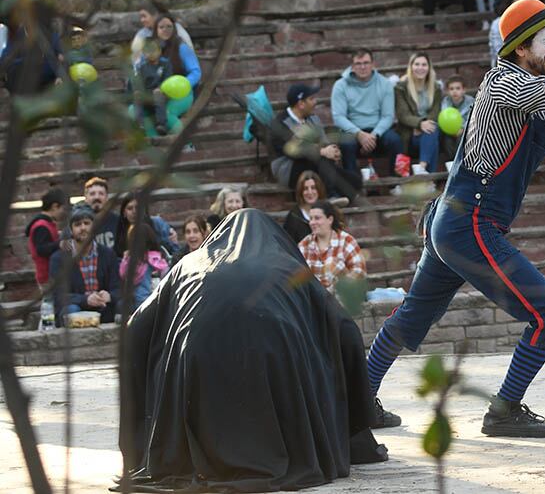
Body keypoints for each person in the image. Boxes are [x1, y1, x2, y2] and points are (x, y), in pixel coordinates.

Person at [363, 0, 545, 439]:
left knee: (411, 317)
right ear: (520, 49)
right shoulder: (503, 80)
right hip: (469, 222)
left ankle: (357, 402)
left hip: (455, 224)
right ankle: (503, 410)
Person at [121, 209, 388, 492]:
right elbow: (346, 329)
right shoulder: (288, 266)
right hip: (274, 364)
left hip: (196, 367)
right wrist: (356, 416)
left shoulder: (188, 264)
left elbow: (136, 326)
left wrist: (141, 419)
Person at [271, 82, 362, 200]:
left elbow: (324, 142)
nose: (315, 102)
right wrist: (322, 151)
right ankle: (330, 196)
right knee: (321, 159)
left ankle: (339, 195)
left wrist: (333, 151)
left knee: (355, 180)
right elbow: (294, 150)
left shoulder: (313, 119)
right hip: (289, 168)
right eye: (311, 99)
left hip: (318, 164)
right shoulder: (280, 124)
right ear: (301, 104)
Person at [332, 50, 404, 174]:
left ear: (373, 64)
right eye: (358, 64)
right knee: (347, 144)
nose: (363, 67)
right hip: (353, 131)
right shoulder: (340, 85)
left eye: (366, 63)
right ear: (352, 67)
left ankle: (396, 182)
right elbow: (338, 117)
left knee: (395, 140)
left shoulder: (384, 84)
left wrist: (373, 136)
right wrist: (359, 134)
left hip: (378, 131)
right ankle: (353, 187)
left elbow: (388, 116)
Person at [50, 203, 120, 325]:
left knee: (123, 305)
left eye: (87, 223)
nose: (83, 228)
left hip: (102, 307)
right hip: (77, 307)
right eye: (77, 225)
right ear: (71, 230)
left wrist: (110, 295)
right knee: (72, 311)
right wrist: (86, 299)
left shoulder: (108, 254)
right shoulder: (58, 259)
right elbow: (58, 295)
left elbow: (119, 288)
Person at [298, 200, 366, 293]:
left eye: (317, 218)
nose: (312, 222)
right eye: (311, 218)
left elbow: (359, 273)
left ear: (330, 219)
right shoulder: (304, 245)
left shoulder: (346, 241)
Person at [394, 52, 443, 175]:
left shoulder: (436, 87)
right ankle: (428, 178)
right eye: (417, 64)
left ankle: (422, 168)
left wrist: (423, 125)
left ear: (429, 67)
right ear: (411, 67)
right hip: (409, 134)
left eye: (424, 65)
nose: (420, 68)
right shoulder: (401, 87)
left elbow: (436, 112)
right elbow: (402, 114)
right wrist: (419, 124)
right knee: (432, 132)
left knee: (432, 129)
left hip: (427, 133)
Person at [153, 14, 201, 132]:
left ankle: (186, 146)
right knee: (136, 112)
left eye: (169, 27)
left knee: (167, 114)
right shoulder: (151, 49)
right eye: (162, 27)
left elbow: (196, 71)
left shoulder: (181, 47)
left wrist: (183, 84)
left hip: (181, 93)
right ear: (155, 30)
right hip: (158, 94)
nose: (166, 30)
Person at [119, 224, 169, 314]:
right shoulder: (156, 257)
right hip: (143, 301)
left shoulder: (148, 260)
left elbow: (123, 274)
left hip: (144, 301)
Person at [116, 193, 180, 260]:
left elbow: (175, 252)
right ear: (124, 213)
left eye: (137, 207)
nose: (134, 211)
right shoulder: (120, 232)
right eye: (130, 208)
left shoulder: (157, 224)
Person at [128, 40, 172, 135]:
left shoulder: (165, 64)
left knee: (158, 96)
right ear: (144, 53)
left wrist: (160, 88)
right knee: (137, 97)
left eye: (154, 50)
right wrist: (138, 91)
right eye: (148, 51)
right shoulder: (141, 66)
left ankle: (161, 124)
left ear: (159, 51)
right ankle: (139, 125)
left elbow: (168, 79)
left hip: (161, 92)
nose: (151, 53)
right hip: (147, 93)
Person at [26, 188, 66, 288]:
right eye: (62, 208)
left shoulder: (46, 224)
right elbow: (41, 249)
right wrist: (59, 243)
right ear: (54, 206)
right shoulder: (41, 226)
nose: (63, 212)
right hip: (47, 277)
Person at [284, 171, 326, 244]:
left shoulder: (327, 212)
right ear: (301, 191)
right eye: (305, 189)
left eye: (313, 188)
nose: (310, 192)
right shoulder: (294, 217)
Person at [441, 75, 475, 161]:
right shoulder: (446, 101)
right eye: (451, 89)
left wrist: (462, 128)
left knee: (462, 138)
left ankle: (459, 160)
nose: (454, 91)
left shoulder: (470, 101)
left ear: (464, 90)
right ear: (448, 91)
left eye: (458, 88)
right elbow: (445, 116)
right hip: (449, 130)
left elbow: (472, 117)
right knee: (447, 139)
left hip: (465, 130)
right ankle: (450, 161)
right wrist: (452, 129)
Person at [83, 177, 120, 255]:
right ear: (86, 198)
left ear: (106, 198)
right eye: (92, 194)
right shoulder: (78, 224)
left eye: (101, 194)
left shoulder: (118, 222)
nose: (97, 197)